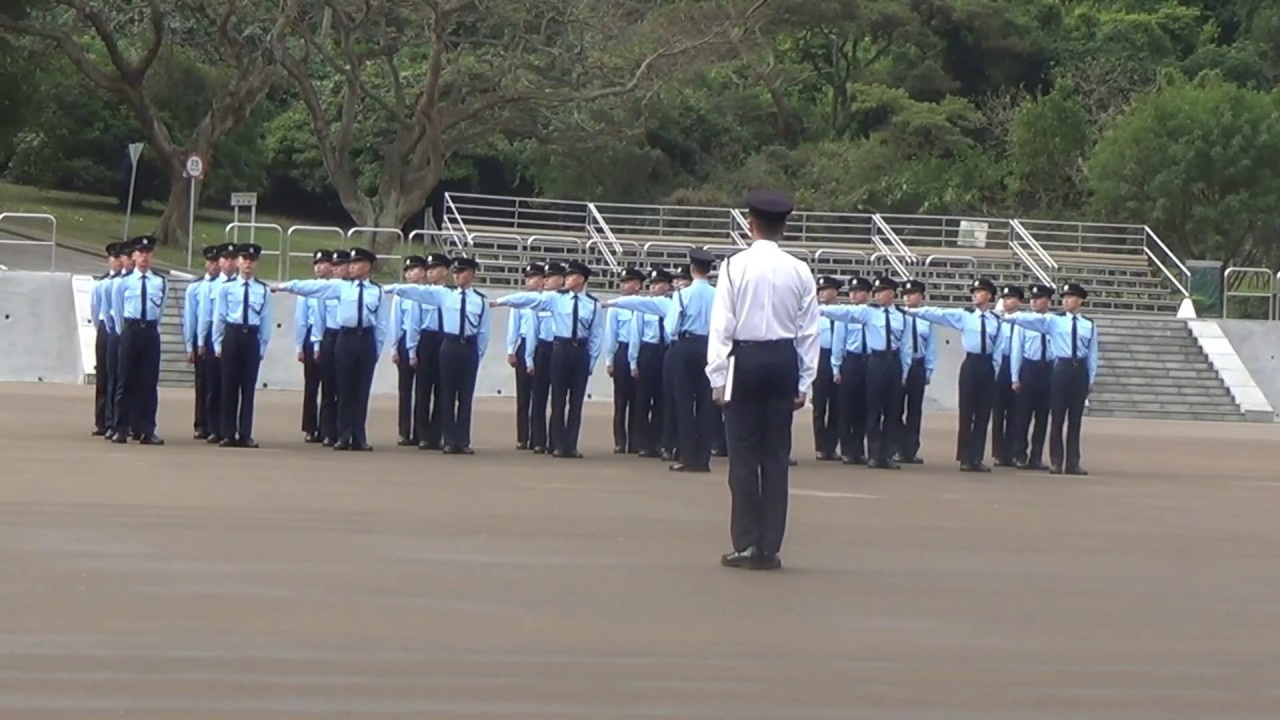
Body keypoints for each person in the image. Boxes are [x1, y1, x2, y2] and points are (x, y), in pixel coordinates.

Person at [707, 187, 819, 571]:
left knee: (743, 454)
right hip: (783, 357)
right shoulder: (800, 269)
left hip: (746, 357)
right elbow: (809, 331)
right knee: (775, 455)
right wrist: (804, 381)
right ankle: (770, 545)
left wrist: (717, 376)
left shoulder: (734, 266)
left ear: (750, 224)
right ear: (784, 226)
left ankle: (746, 542)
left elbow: (721, 325)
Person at [275, 247, 389, 451]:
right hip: (346, 337)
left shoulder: (377, 291)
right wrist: (286, 286)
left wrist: (377, 349)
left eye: (356, 263)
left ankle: (359, 436)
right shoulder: (341, 287)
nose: (351, 266)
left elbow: (381, 323)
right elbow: (312, 287)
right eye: (351, 263)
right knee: (344, 389)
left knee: (361, 391)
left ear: (368, 266)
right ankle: (343, 435)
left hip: (366, 339)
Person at [493, 260, 604, 458]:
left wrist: (592, 361)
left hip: (580, 350)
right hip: (560, 347)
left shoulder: (593, 304)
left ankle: (571, 444)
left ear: (581, 280)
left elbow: (596, 335)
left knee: (576, 401)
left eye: (570, 276)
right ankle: (558, 443)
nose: (566, 280)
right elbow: (528, 300)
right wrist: (502, 301)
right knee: (558, 399)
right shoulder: (555, 298)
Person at [386, 256, 490, 454]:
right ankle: (448, 439)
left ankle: (463, 440)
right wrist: (390, 289)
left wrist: (478, 354)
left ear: (472, 274)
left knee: (465, 396)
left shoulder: (481, 300)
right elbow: (418, 292)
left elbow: (484, 331)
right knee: (447, 394)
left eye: (463, 272)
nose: (458, 276)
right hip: (449, 344)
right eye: (456, 272)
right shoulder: (444, 294)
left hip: (468, 346)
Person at [903, 278, 1004, 472]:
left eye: (980, 291)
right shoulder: (965, 316)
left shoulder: (995, 320)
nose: (975, 295)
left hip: (987, 364)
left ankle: (977, 456)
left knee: (983, 414)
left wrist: (996, 371)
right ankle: (965, 456)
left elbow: (998, 348)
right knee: (967, 412)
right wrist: (913, 311)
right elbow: (940, 314)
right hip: (971, 363)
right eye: (974, 291)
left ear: (989, 296)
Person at [1001, 282, 1097, 475]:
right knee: (1057, 417)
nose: (1066, 300)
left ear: (1080, 300)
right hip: (1061, 366)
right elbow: (1031, 321)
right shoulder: (1054, 320)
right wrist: (1010, 317)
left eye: (1070, 297)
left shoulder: (1089, 324)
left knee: (1075, 419)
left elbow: (1093, 353)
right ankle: (1056, 460)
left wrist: (1091, 378)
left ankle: (1073, 461)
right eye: (1064, 297)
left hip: (1079, 370)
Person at [819, 276, 912, 470]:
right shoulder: (869, 313)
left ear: (892, 294)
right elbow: (844, 312)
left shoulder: (902, 316)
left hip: (893, 361)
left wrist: (904, 370)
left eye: (881, 292)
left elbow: (906, 346)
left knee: (893, 410)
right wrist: (818, 309)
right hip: (875, 360)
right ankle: (874, 454)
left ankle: (887, 454)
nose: (877, 295)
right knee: (872, 408)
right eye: (876, 292)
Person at [212, 243, 273, 447]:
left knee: (248, 388)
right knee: (229, 386)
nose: (248, 263)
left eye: (252, 260)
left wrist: (263, 345)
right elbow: (219, 316)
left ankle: (245, 432)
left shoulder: (262, 290)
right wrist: (217, 342)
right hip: (232, 335)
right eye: (244, 259)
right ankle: (227, 432)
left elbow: (265, 319)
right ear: (238, 262)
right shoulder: (227, 288)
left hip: (251, 337)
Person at [110, 236, 167, 445]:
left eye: (148, 253)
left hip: (150, 331)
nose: (144, 257)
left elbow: (159, 310)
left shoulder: (159, 282)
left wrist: (150, 327)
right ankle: (121, 428)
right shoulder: (123, 282)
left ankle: (147, 428)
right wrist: (123, 332)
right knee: (125, 381)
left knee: (149, 383)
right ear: (133, 256)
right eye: (140, 253)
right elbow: (117, 311)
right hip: (131, 330)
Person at [623, 267, 673, 458]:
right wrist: (633, 361)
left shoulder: (671, 305)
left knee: (663, 399)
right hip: (648, 351)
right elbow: (635, 335)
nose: (654, 287)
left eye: (659, 283)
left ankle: (659, 440)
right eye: (652, 284)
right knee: (643, 399)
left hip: (665, 350)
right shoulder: (644, 306)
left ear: (667, 286)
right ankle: (643, 442)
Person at [407, 252, 451, 450]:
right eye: (429, 269)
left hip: (446, 339)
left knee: (444, 390)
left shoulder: (452, 294)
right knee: (423, 389)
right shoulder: (422, 294)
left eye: (434, 269)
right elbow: (414, 323)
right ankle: (422, 434)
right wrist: (412, 349)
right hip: (427, 340)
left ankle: (437, 433)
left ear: (445, 271)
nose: (430, 272)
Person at [197, 242, 239, 444]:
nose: (229, 263)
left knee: (230, 385)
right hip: (213, 336)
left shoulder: (242, 285)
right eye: (225, 258)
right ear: (219, 262)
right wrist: (200, 340)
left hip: (233, 336)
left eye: (233, 259)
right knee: (213, 384)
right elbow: (205, 315)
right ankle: (213, 427)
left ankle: (229, 427)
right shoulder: (211, 287)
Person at [1010, 283, 1055, 470]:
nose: (1034, 302)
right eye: (1032, 299)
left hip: (1049, 369)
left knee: (1043, 416)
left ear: (1048, 302)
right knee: (1023, 415)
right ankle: (1020, 454)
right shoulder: (1024, 321)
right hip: (1030, 368)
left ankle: (1036, 456)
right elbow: (1017, 350)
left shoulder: (1054, 321)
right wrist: (1015, 376)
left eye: (1039, 298)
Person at [524, 261, 565, 453]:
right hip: (543, 348)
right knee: (539, 396)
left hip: (560, 348)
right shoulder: (539, 301)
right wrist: (529, 357)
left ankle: (556, 440)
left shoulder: (565, 301)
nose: (546, 281)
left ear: (561, 280)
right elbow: (532, 330)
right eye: (545, 277)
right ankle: (538, 439)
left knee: (558, 397)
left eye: (550, 277)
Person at [604, 266, 644, 453]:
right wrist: (609, 360)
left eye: (627, 282)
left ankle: (636, 440)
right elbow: (610, 334)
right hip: (622, 350)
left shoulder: (644, 304)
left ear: (637, 285)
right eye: (622, 282)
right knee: (621, 400)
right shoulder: (616, 306)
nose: (623, 286)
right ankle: (620, 440)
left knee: (638, 400)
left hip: (640, 351)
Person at [832, 276, 871, 465]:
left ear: (867, 294)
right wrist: (836, 367)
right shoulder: (845, 314)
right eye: (851, 292)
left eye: (858, 291)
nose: (854, 295)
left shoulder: (873, 314)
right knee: (847, 406)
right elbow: (838, 343)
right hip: (851, 361)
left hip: (869, 361)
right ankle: (847, 448)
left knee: (864, 407)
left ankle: (858, 448)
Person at [312, 249, 349, 446]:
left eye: (339, 265)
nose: (335, 270)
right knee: (328, 387)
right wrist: (317, 343)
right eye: (333, 266)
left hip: (346, 336)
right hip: (330, 336)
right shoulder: (326, 289)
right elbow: (319, 317)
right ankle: (327, 431)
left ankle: (343, 430)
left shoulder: (351, 289)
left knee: (344, 388)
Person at [897, 279, 936, 465]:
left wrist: (929, 369)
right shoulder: (897, 316)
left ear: (921, 296)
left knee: (915, 410)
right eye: (905, 294)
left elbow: (931, 346)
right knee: (896, 408)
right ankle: (898, 446)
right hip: (900, 366)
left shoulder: (926, 318)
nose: (907, 297)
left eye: (912, 294)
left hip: (918, 365)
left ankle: (911, 449)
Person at [296, 250, 333, 443]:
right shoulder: (307, 289)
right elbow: (301, 320)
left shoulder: (336, 287)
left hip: (331, 335)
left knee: (329, 385)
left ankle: (327, 427)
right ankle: (310, 427)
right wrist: (299, 346)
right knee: (311, 386)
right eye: (316, 263)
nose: (319, 267)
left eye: (323, 263)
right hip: (311, 336)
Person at [183, 245, 219, 440]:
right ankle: (201, 423)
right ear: (205, 263)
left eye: (217, 262)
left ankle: (216, 423)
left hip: (220, 335)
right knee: (203, 382)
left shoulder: (226, 285)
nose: (214, 265)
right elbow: (190, 318)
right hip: (202, 338)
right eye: (211, 262)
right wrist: (190, 344)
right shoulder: (196, 287)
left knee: (219, 383)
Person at [507, 263, 545, 450]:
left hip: (542, 346)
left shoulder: (548, 299)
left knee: (540, 394)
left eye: (533, 277)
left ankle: (538, 437)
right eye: (527, 278)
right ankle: (523, 436)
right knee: (523, 395)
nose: (529, 281)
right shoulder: (520, 301)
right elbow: (513, 327)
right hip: (523, 345)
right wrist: (510, 349)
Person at [392, 255, 427, 446]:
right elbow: (396, 321)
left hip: (425, 339)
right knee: (405, 389)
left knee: (423, 389)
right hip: (405, 340)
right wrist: (394, 348)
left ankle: (420, 432)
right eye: (407, 271)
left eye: (413, 270)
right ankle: (404, 431)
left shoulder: (429, 293)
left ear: (422, 272)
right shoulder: (401, 293)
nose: (409, 274)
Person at [102, 242, 134, 441]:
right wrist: (118, 330)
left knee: (135, 380)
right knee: (115, 379)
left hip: (134, 332)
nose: (127, 260)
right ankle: (111, 421)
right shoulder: (111, 283)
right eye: (124, 257)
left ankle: (132, 422)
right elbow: (106, 310)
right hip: (116, 331)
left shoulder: (138, 281)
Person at [990, 285, 1024, 467]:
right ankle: (998, 452)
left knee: (1015, 411)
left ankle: (1011, 451)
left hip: (1016, 364)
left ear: (1019, 301)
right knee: (998, 411)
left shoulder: (1022, 321)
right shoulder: (996, 320)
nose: (1007, 301)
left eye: (1011, 298)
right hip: (1000, 364)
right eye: (1004, 298)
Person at [811, 275, 842, 461]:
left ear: (835, 293)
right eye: (820, 290)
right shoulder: (814, 314)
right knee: (819, 404)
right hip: (821, 357)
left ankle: (832, 446)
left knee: (837, 405)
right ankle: (820, 446)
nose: (821, 293)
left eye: (826, 290)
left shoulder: (842, 313)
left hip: (837, 356)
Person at [90, 242, 120, 436]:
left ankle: (119, 418)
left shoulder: (125, 281)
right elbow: (95, 309)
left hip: (122, 329)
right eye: (115, 258)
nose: (118, 261)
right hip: (105, 328)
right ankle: (102, 420)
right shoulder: (102, 284)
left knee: (122, 377)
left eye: (121, 258)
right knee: (104, 375)